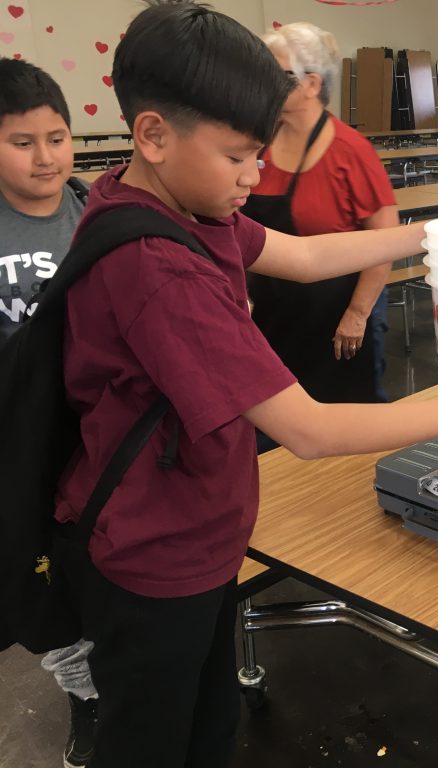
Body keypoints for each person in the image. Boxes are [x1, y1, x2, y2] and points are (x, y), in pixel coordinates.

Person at [51, 4, 438, 767]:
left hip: (198, 530)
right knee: (153, 740)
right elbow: (312, 431)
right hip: (154, 559)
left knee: (209, 722)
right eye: (237, 157)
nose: (255, 178)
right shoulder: (159, 269)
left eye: (260, 154)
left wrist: (432, 231)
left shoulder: (179, 203)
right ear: (153, 134)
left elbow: (303, 254)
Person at [0, 56, 98, 768]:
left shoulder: (94, 211)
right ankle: (85, 696)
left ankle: (101, 691)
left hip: (88, 435)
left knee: (89, 573)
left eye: (57, 137)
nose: (46, 158)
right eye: (22, 141)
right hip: (13, 440)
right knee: (35, 590)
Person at [246, 21, 394, 410]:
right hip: (275, 316)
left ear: (310, 84)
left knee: (346, 420)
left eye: (274, 74)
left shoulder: (350, 151)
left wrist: (358, 314)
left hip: (338, 319)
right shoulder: (257, 144)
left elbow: (384, 243)